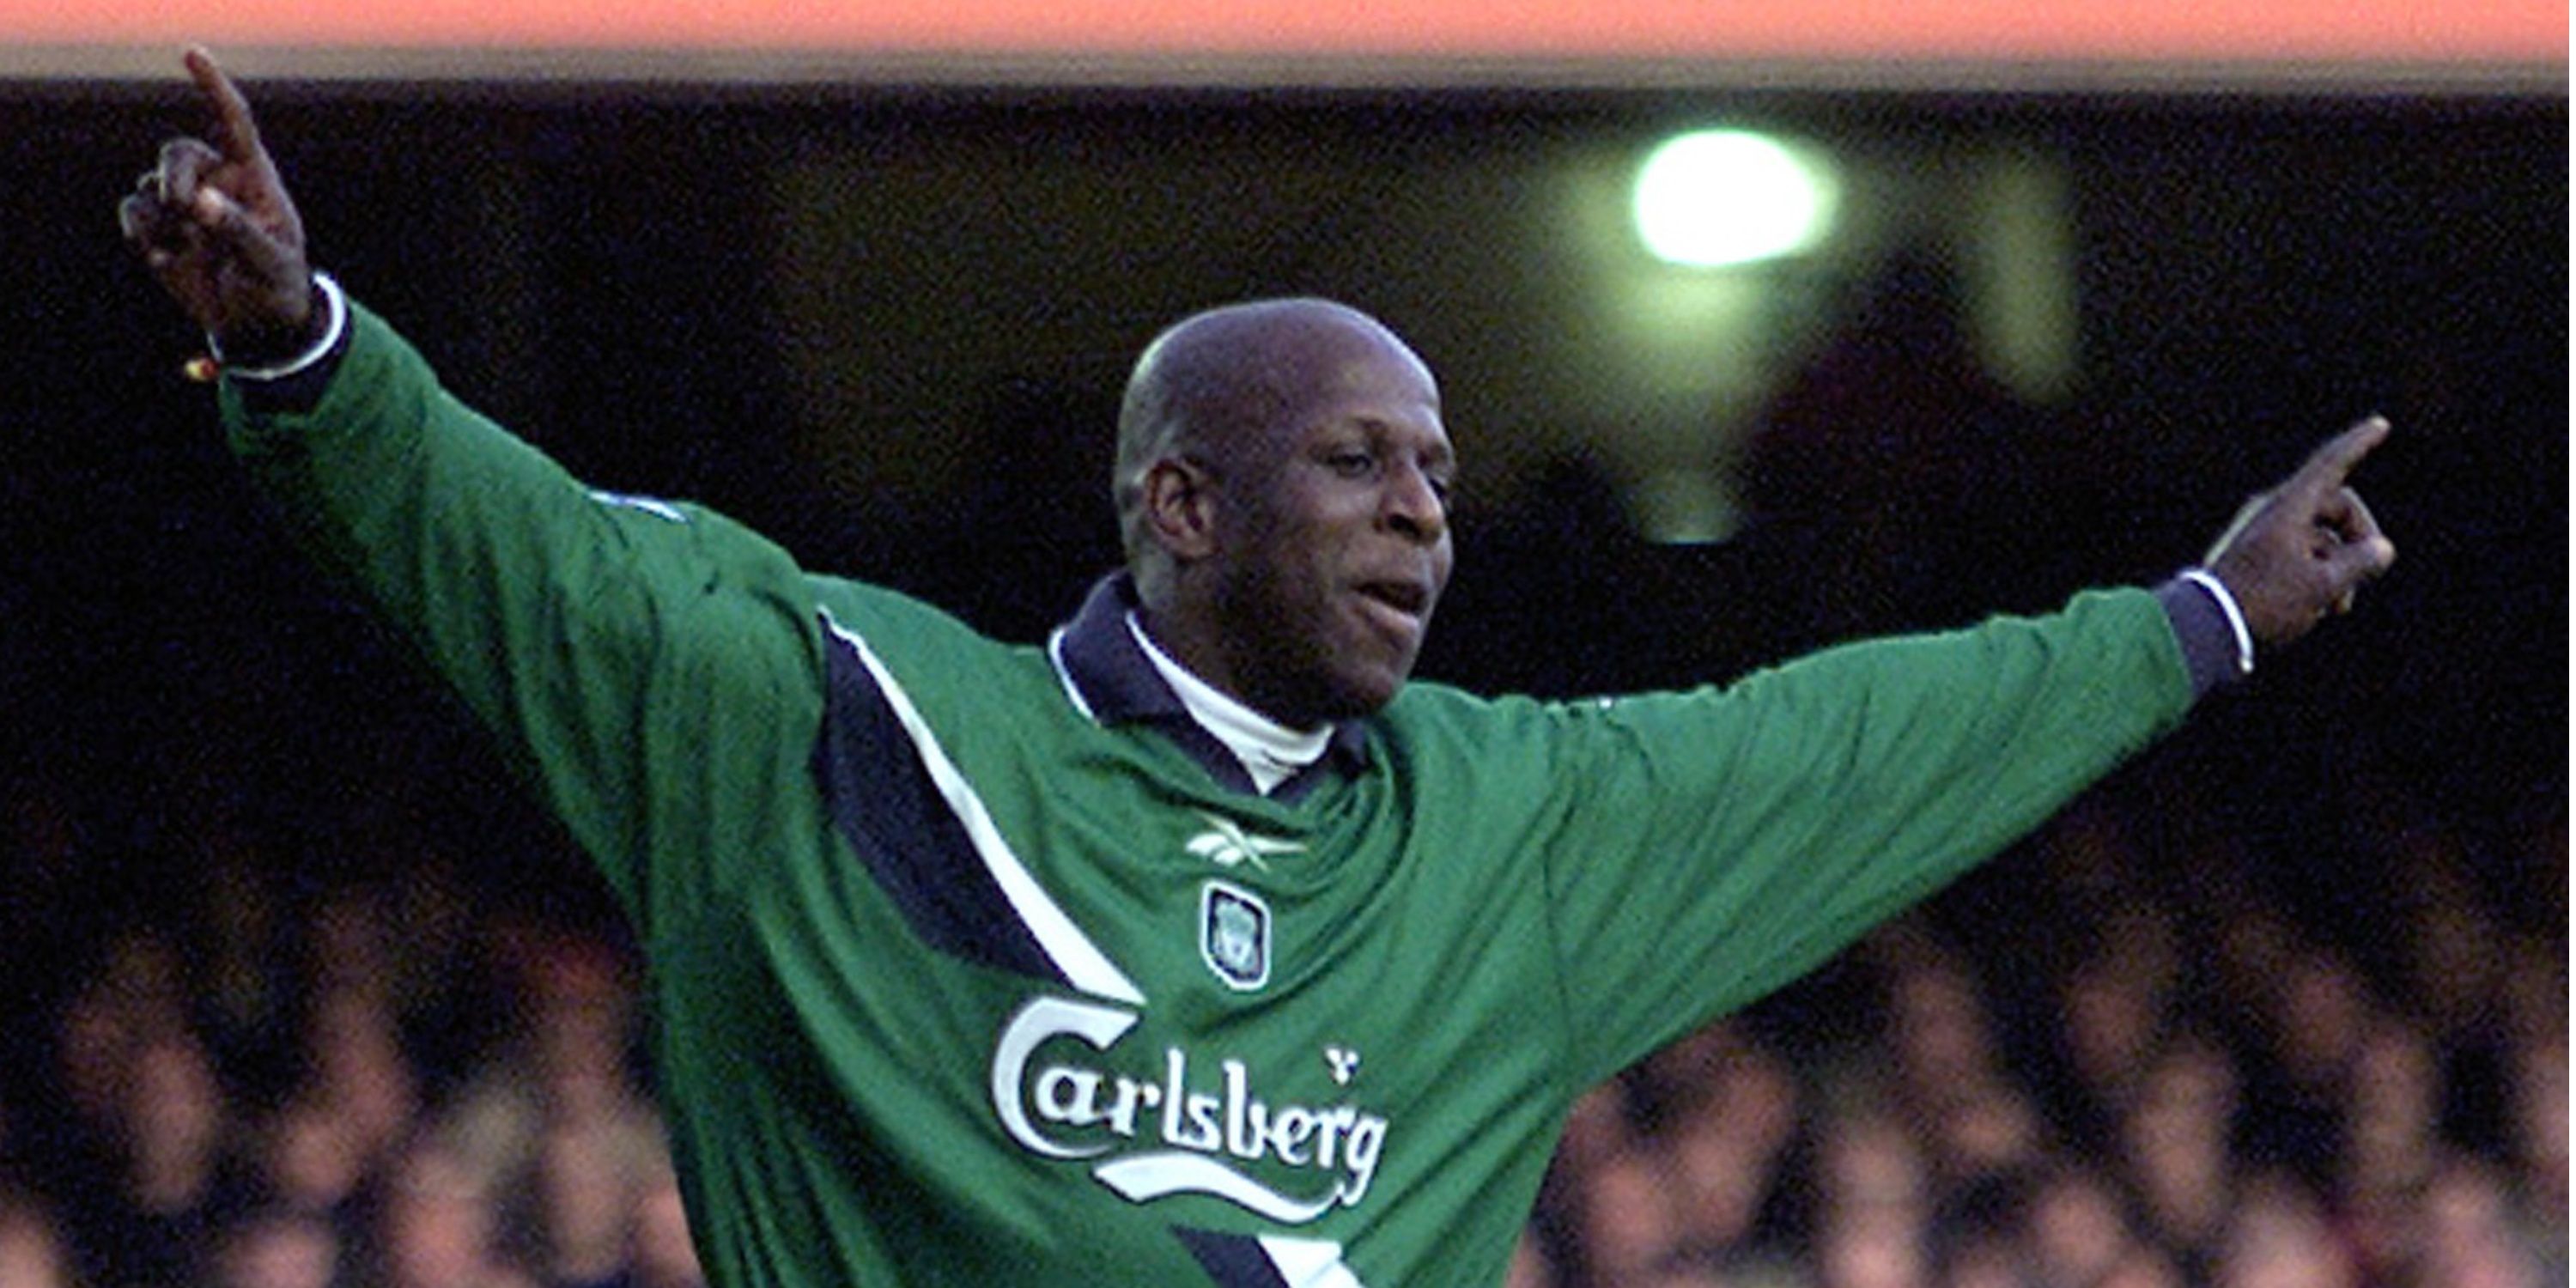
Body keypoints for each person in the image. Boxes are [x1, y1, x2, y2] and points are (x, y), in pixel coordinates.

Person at [118, 47, 2395, 1288]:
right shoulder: (839, 727)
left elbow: (1836, 745)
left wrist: (2191, 623)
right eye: (1356, 463)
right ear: (1178, 506)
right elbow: (530, 562)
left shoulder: (1512, 829)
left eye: (1438, 466)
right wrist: (308, 347)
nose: (1427, 506)